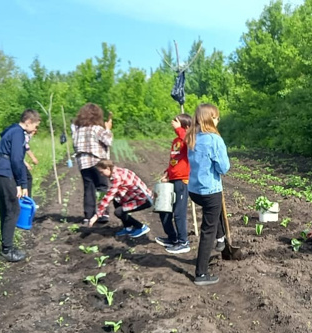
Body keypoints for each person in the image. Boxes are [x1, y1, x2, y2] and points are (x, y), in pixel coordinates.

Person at [185, 103, 230, 286]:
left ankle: (221, 239)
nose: (218, 120)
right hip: (210, 190)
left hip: (194, 190)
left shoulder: (192, 137)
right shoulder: (214, 139)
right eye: (216, 117)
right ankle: (201, 274)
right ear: (210, 118)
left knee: (214, 212)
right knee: (207, 230)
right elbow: (224, 168)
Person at [0, 109, 41, 262]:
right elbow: (17, 160)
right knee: (13, 209)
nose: (35, 129)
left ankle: (7, 244)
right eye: (35, 125)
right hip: (4, 172)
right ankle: (7, 250)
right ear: (28, 121)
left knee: (7, 208)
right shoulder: (19, 133)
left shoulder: (12, 129)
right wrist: (21, 183)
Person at [154, 114, 193, 254]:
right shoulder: (176, 140)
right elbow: (174, 160)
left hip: (182, 180)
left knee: (178, 213)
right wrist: (167, 173)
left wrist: (180, 130)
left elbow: (190, 142)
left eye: (176, 122)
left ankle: (184, 242)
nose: (173, 124)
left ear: (186, 126)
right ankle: (173, 238)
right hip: (172, 179)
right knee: (164, 210)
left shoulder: (187, 138)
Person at [88, 160, 153, 239]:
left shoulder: (117, 177)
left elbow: (109, 196)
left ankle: (141, 227)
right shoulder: (118, 171)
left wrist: (96, 215)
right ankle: (128, 228)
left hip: (144, 199)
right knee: (117, 200)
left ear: (108, 168)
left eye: (102, 172)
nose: (101, 175)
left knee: (118, 212)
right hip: (136, 196)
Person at [73, 104, 113, 225]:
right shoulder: (96, 129)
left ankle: (88, 215)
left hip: (83, 163)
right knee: (101, 187)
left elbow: (75, 146)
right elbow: (108, 141)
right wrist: (108, 129)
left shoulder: (78, 130)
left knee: (88, 188)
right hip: (97, 161)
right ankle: (102, 213)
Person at [23, 128, 39, 198]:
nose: (32, 135)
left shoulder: (24, 135)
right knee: (28, 178)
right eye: (33, 133)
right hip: (16, 161)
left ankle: (25, 199)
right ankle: (27, 200)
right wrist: (26, 163)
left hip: (17, 160)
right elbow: (26, 148)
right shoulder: (25, 136)